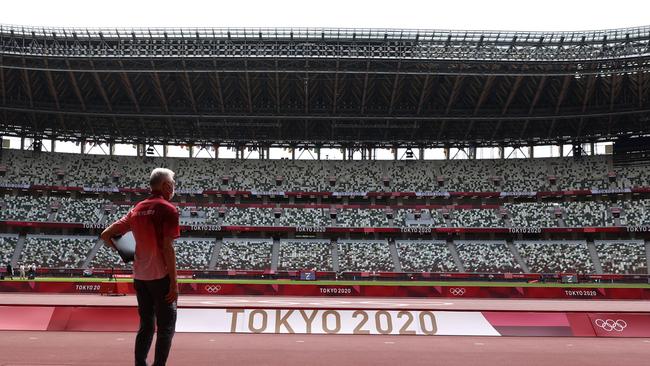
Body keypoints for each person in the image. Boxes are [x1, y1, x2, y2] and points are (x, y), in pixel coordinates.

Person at [101, 168, 180, 366]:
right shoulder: (168, 209)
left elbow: (105, 234)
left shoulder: (136, 209)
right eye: (173, 182)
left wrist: (126, 253)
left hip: (140, 278)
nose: (174, 186)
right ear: (166, 186)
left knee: (146, 326)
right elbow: (167, 248)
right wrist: (174, 284)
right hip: (160, 277)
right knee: (166, 328)